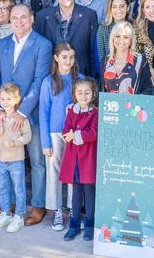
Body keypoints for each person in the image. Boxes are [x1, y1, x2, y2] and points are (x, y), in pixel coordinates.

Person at [0, 5, 53, 225]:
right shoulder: (2, 44)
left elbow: (39, 81)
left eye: (23, 17)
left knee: (36, 162)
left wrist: (22, 112)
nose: (19, 21)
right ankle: (10, 205)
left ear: (32, 18)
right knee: (8, 159)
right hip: (4, 115)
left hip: (30, 114)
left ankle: (37, 205)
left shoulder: (43, 45)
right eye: (14, 18)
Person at [39, 43, 79, 231]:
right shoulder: (49, 82)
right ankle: (56, 210)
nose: (68, 61)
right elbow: (43, 112)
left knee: (73, 173)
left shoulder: (80, 80)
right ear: (56, 58)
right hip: (55, 133)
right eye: (64, 57)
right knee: (54, 173)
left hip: (74, 134)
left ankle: (73, 209)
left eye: (71, 57)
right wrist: (46, 142)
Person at [58, 77, 99, 242]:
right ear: (74, 94)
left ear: (93, 94)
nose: (83, 95)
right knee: (75, 193)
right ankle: (74, 225)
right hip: (74, 159)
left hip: (88, 159)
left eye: (87, 92)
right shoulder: (71, 111)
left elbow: (94, 133)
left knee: (89, 192)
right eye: (80, 92)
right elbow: (66, 129)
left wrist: (75, 135)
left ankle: (89, 224)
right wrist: (68, 134)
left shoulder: (95, 113)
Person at [35, 0, 98, 83]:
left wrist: (91, 78)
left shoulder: (89, 15)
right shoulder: (42, 16)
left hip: (81, 77)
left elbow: (93, 49)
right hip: (52, 77)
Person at [0, 82, 32, 233]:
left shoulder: (21, 118)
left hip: (16, 160)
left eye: (8, 99)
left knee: (18, 189)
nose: (5, 102)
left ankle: (19, 216)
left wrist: (15, 142)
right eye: (2, 99)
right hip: (1, 160)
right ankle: (5, 213)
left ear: (16, 99)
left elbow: (28, 136)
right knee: (2, 189)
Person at [101, 21, 154, 94]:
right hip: (111, 105)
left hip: (135, 105)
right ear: (112, 38)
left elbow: (147, 89)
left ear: (131, 40)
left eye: (126, 37)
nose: (121, 41)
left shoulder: (141, 60)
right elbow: (102, 90)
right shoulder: (105, 61)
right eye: (117, 36)